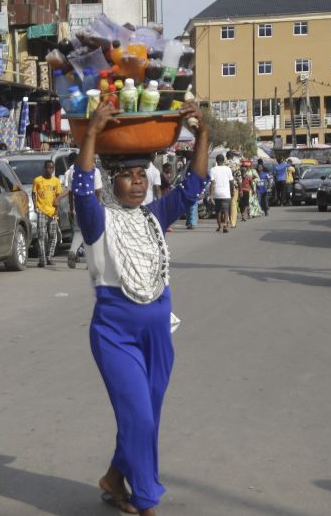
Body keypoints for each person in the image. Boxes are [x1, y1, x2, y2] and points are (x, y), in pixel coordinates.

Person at [72, 99, 209, 516]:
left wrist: (202, 133)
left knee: (146, 414)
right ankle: (147, 499)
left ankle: (115, 478)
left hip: (157, 333)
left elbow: (193, 186)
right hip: (115, 334)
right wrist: (91, 133)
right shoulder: (98, 220)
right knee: (139, 417)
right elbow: (82, 188)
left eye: (141, 176)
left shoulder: (154, 215)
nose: (136, 183)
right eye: (127, 176)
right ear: (111, 180)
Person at [64, 153, 103, 269]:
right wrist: (99, 206)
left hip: (78, 205)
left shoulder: (72, 170)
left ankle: (72, 250)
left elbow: (70, 192)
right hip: (91, 205)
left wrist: (71, 208)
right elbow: (98, 191)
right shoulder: (95, 171)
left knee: (78, 231)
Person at [33, 160, 67, 267]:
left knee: (53, 236)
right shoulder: (37, 180)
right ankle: (42, 259)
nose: (50, 170)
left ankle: (49, 257)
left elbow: (58, 197)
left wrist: (56, 211)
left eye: (52, 168)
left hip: (53, 212)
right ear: (45, 168)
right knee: (41, 236)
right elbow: (34, 194)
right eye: (48, 168)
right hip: (41, 211)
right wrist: (35, 206)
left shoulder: (56, 181)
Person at [209, 154, 234, 233]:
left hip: (217, 192)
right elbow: (231, 181)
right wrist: (232, 191)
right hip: (226, 193)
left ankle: (219, 226)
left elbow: (212, 183)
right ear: (223, 161)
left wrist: (211, 194)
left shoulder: (212, 169)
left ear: (216, 161)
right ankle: (225, 224)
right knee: (226, 210)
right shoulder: (228, 169)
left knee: (218, 210)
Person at [227, 153, 241, 227]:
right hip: (234, 187)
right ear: (232, 157)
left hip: (225, 187)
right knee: (233, 203)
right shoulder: (236, 165)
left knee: (225, 204)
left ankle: (226, 220)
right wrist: (240, 189)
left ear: (226, 156)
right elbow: (239, 179)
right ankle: (233, 222)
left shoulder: (222, 165)